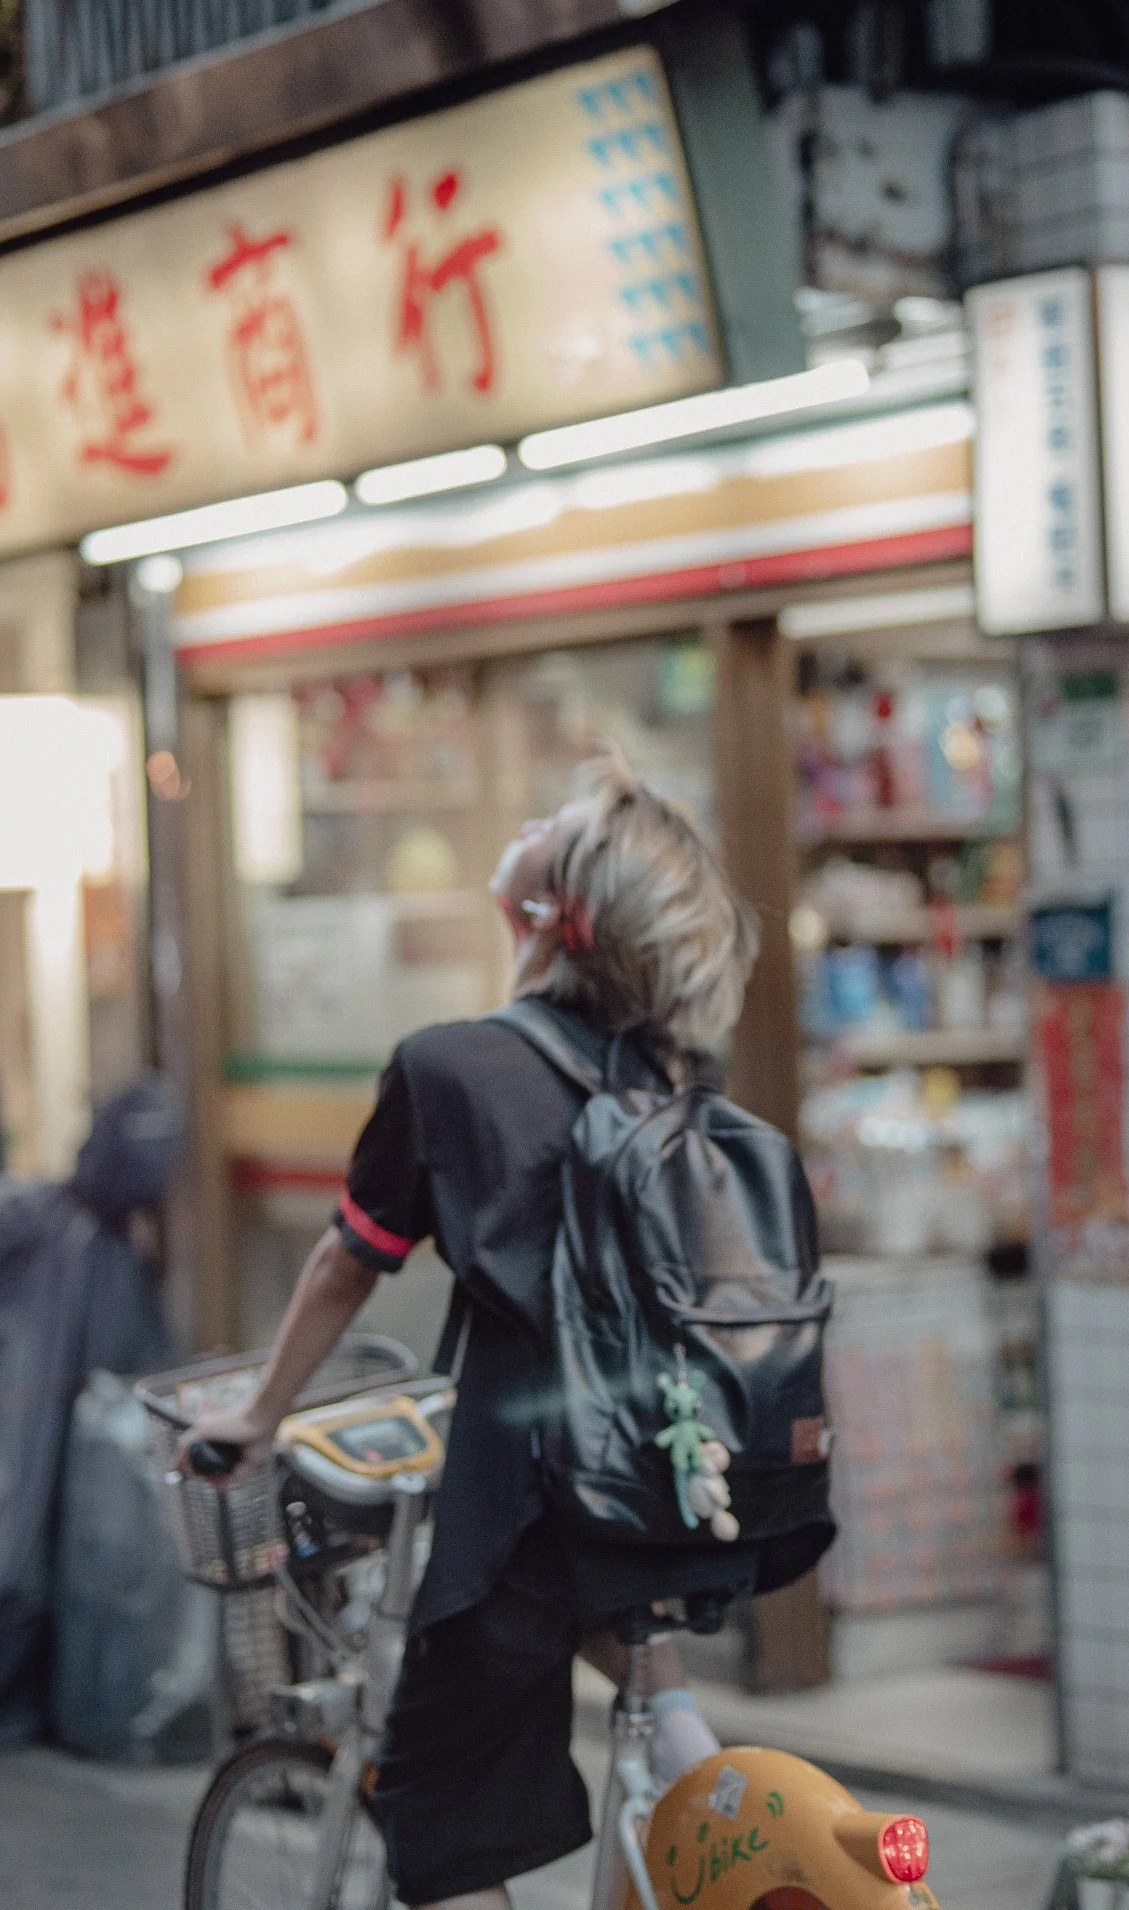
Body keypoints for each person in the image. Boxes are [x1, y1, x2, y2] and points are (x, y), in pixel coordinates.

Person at [191, 760, 833, 1910]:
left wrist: (258, 1413)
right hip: (680, 1497)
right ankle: (764, 1841)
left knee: (440, 1814)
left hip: (534, 1510)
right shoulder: (670, 1069)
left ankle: (753, 1848)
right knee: (634, 1652)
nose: (527, 815)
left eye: (555, 826)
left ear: (554, 911)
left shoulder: (450, 1066)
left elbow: (350, 1258)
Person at [0, 1073, 184, 1744]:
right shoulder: (42, 1222)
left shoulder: (115, 1242)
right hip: (29, 1427)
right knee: (18, 1562)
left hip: (78, 1444)